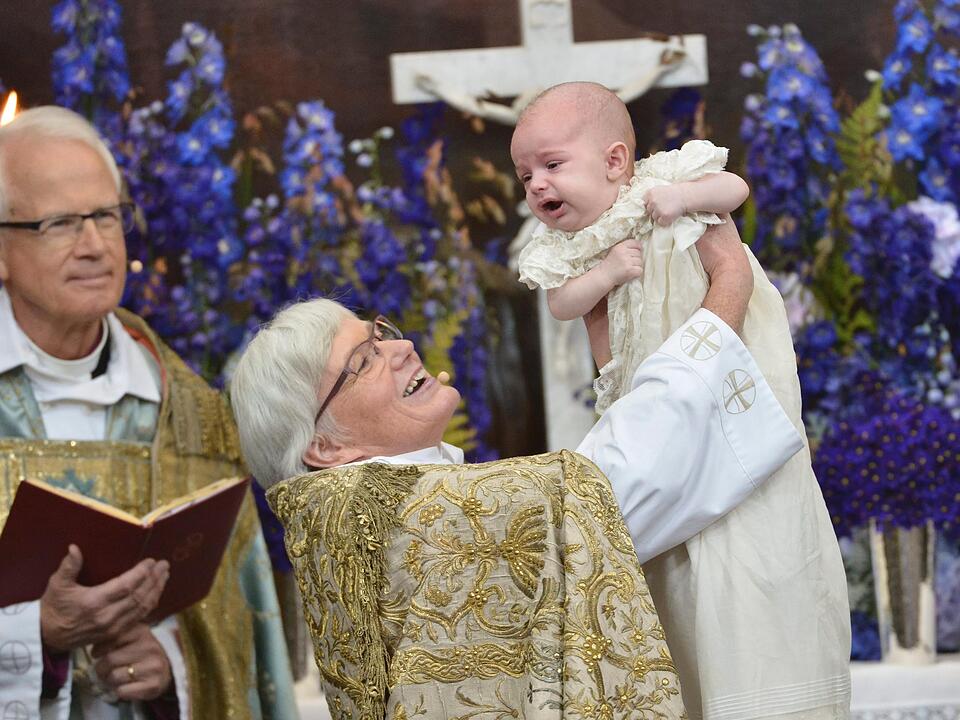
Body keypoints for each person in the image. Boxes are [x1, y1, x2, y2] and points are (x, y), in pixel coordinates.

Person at [229, 220, 806, 720]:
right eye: (364, 360)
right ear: (325, 447)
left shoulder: (339, 517)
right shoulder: (415, 514)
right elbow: (610, 489)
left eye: (378, 334)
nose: (400, 349)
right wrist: (728, 288)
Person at [512, 81, 851, 720]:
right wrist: (607, 273)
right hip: (650, 400)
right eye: (525, 175)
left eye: (551, 165)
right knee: (674, 566)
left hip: (720, 374)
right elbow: (563, 304)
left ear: (615, 160)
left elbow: (734, 191)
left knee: (751, 539)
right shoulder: (569, 246)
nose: (537, 185)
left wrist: (684, 199)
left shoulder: (665, 181)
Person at [0, 106, 299, 719]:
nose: (95, 245)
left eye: (107, 216)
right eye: (60, 223)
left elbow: (241, 625)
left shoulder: (191, 417)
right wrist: (37, 637)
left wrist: (173, 669)